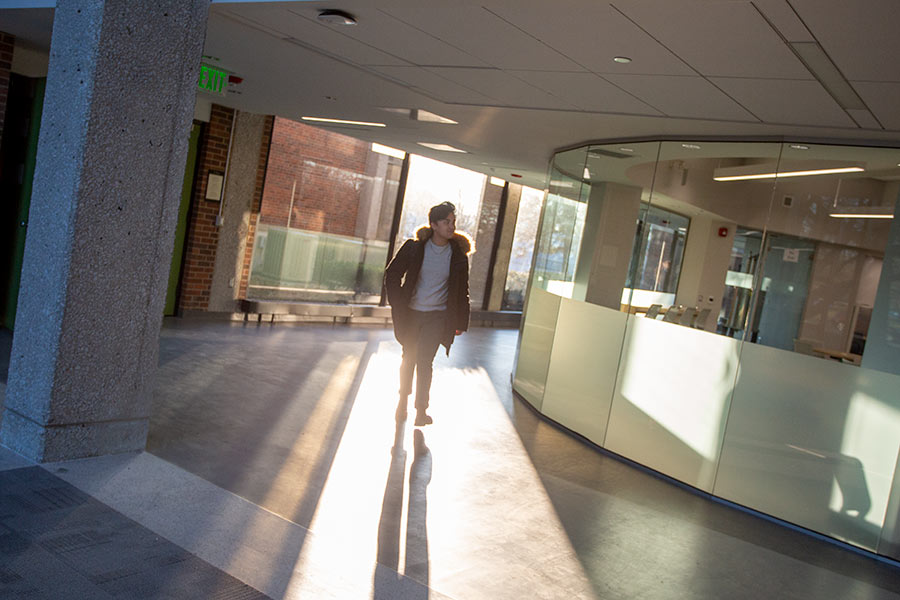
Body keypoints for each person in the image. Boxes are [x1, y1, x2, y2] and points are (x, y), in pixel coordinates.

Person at [384, 201, 473, 426]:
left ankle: (421, 410)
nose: (451, 226)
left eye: (453, 222)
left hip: (438, 317)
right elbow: (392, 274)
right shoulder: (414, 248)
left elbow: (462, 290)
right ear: (434, 224)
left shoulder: (458, 255)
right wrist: (398, 303)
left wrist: (461, 322)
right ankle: (402, 400)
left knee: (425, 361)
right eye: (446, 222)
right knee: (409, 357)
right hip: (412, 313)